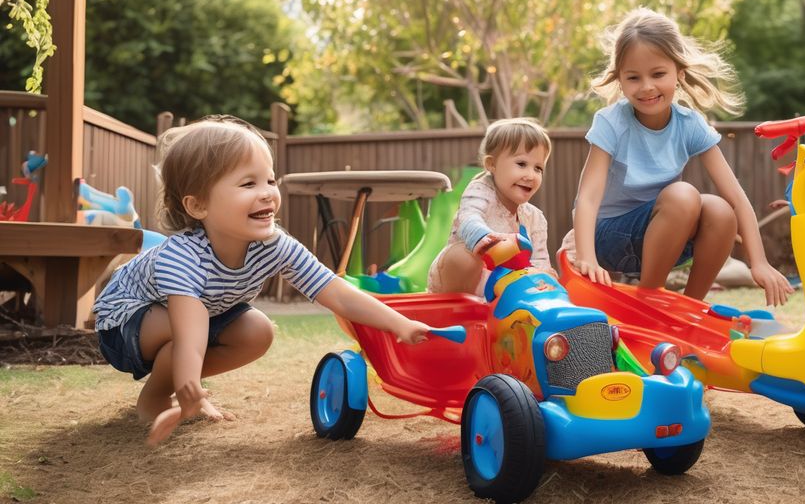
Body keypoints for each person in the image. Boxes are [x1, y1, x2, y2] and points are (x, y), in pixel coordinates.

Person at [92, 116, 438, 445]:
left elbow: (337, 292)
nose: (267, 192)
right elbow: (190, 330)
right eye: (248, 183)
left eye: (270, 180)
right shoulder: (182, 257)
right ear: (198, 206)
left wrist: (399, 323)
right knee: (183, 332)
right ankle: (156, 397)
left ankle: (179, 386)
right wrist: (188, 384)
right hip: (123, 323)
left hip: (186, 321)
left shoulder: (273, 244)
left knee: (258, 331)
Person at [564, 7, 793, 306]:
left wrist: (758, 262)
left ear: (679, 74)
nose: (647, 86)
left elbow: (737, 198)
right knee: (684, 194)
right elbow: (588, 197)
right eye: (634, 77)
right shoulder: (612, 122)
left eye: (658, 74)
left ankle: (689, 308)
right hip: (607, 239)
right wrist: (586, 257)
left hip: (665, 242)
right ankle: (650, 300)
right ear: (620, 80)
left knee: (721, 210)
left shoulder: (690, 124)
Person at [427, 118, 555, 295]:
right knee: (464, 258)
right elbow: (469, 218)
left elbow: (540, 259)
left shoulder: (535, 218)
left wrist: (544, 279)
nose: (531, 175)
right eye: (522, 164)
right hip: (457, 281)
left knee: (543, 277)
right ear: (491, 164)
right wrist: (486, 239)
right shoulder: (481, 191)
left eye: (538, 168)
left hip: (503, 290)